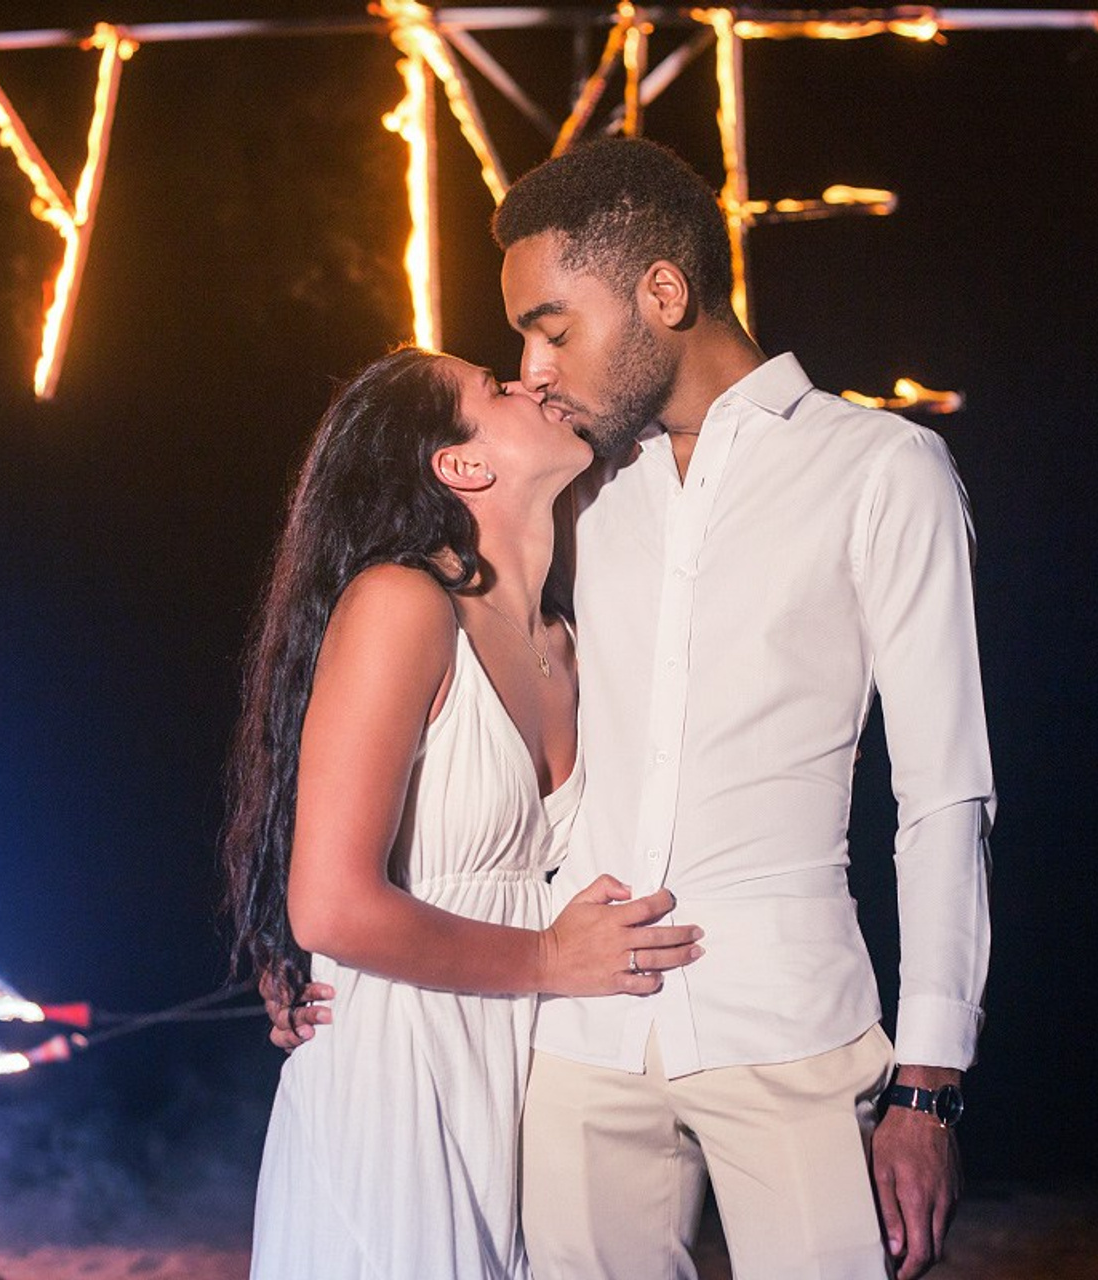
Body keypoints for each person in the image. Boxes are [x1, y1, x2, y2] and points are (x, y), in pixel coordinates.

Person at [273, 138, 994, 1280]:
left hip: (790, 1024)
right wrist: (314, 956)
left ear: (663, 291)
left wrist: (928, 1078)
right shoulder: (581, 493)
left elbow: (943, 790)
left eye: (551, 327)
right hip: (571, 1049)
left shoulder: (880, 469)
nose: (533, 366)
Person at [222, 344, 705, 1280]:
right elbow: (328, 906)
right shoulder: (402, 605)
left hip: (532, 1070)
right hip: (404, 1071)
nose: (532, 381)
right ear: (462, 466)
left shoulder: (572, 637)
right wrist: (548, 959)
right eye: (496, 387)